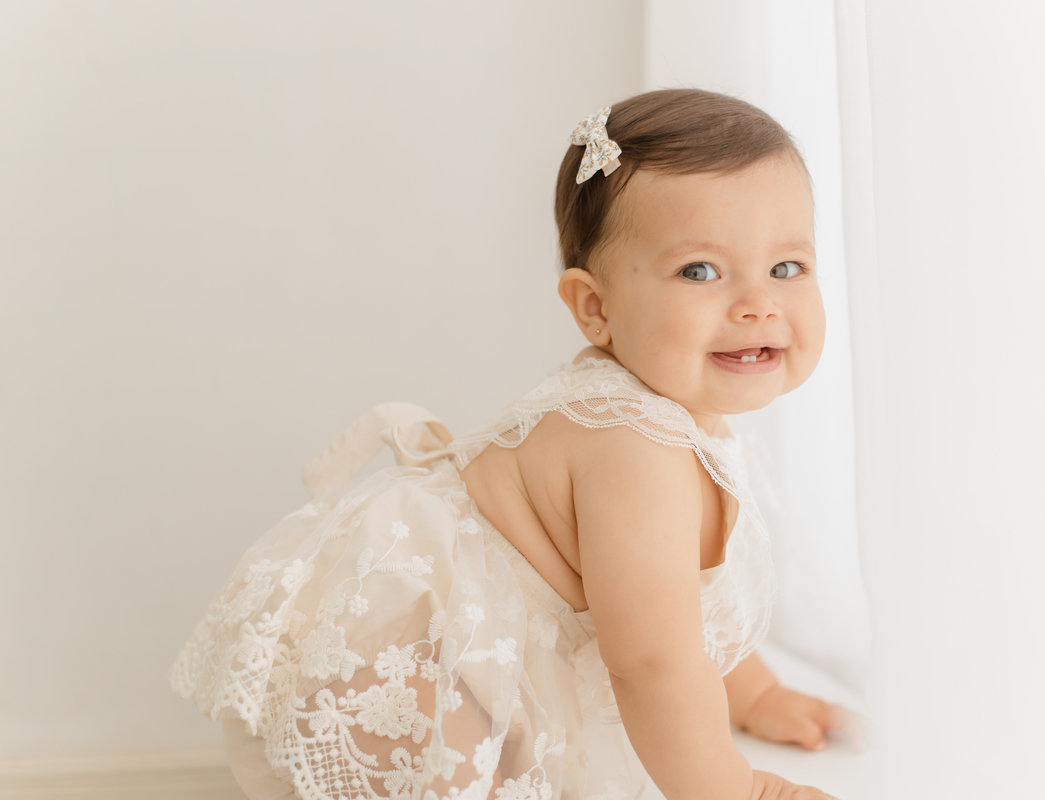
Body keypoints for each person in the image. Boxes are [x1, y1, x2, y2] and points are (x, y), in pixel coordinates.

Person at [170, 89, 840, 800]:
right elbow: (653, 659)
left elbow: (682, 608)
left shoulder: (682, 418)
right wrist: (738, 790)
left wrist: (756, 695)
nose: (758, 304)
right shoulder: (634, 447)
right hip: (407, 671)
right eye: (700, 271)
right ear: (596, 308)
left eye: (786, 268)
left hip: (454, 667)